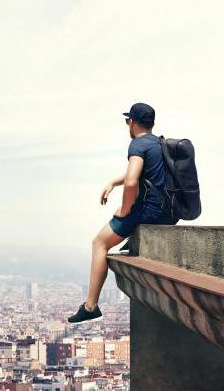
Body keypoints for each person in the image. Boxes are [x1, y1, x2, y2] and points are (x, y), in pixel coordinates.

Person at [67, 102, 179, 324]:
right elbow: (144, 174)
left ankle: (90, 305)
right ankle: (130, 235)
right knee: (120, 227)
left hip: (149, 211)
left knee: (99, 242)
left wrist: (125, 209)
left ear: (132, 122)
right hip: (169, 211)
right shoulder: (159, 144)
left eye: (128, 121)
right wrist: (112, 182)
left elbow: (131, 180)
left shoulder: (138, 145)